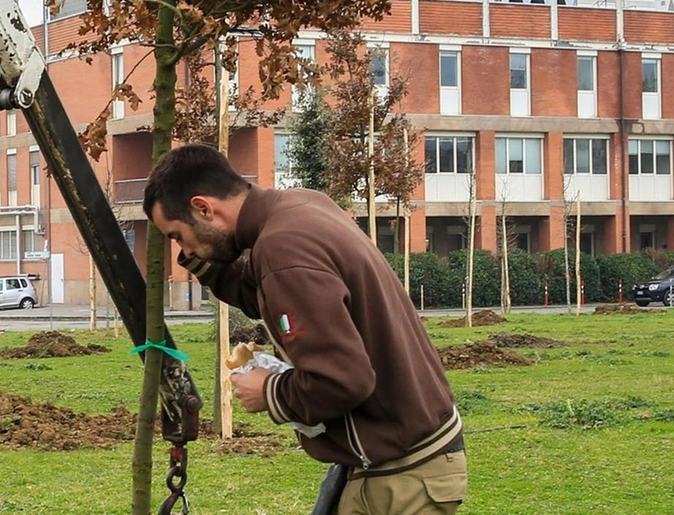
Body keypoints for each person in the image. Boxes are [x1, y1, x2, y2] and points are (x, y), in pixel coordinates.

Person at [144, 144, 466, 515]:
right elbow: (261, 291)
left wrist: (267, 390)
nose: (182, 248)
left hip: (402, 477)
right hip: (404, 458)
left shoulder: (284, 249)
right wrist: (205, 262)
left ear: (203, 208)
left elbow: (342, 380)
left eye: (177, 235)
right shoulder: (300, 208)